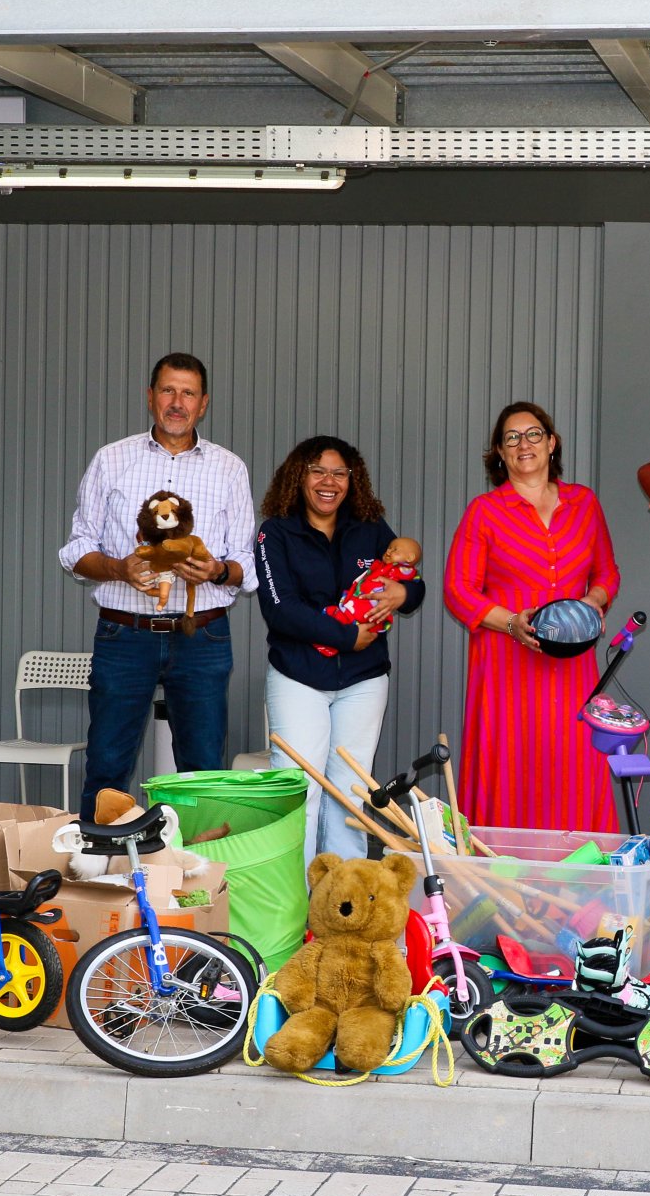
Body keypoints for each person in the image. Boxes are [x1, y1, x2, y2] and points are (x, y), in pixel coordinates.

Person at [59, 352, 256, 816]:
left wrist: (215, 571)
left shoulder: (229, 468)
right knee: (107, 766)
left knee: (203, 770)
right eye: (168, 390)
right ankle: (100, 875)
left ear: (203, 404)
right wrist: (119, 569)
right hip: (124, 634)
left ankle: (198, 882)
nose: (177, 402)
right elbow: (75, 549)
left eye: (188, 393)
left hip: (202, 633)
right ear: (150, 397)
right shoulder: (111, 460)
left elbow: (245, 560)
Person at [445, 402, 621, 832]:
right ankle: (502, 877)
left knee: (575, 763)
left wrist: (594, 603)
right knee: (509, 765)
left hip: (572, 666)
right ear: (500, 454)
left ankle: (578, 876)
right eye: (512, 438)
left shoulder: (584, 504)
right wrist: (510, 623)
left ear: (552, 443)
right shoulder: (485, 511)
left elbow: (607, 573)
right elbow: (457, 589)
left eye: (534, 434)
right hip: (505, 664)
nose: (524, 444)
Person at [256, 437, 426, 862]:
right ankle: (293, 903)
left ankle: (343, 902)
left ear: (352, 480)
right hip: (299, 677)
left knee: (352, 792)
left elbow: (410, 577)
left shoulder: (369, 526)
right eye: (317, 471)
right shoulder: (274, 531)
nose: (328, 482)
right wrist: (346, 637)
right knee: (300, 789)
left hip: (364, 680)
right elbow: (281, 610)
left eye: (339, 473)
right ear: (299, 477)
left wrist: (403, 595)